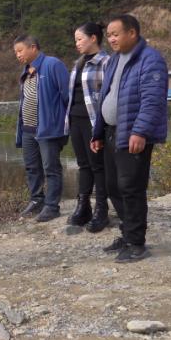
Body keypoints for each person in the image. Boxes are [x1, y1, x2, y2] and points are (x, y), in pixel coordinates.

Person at [91, 14, 168, 263]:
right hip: (112, 133)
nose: (111, 39)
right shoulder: (115, 60)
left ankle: (136, 243)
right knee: (113, 186)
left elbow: (152, 100)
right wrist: (98, 132)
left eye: (115, 34)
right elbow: (106, 96)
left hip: (133, 134)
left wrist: (141, 131)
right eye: (109, 35)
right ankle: (127, 233)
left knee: (131, 188)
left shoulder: (150, 59)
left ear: (132, 33)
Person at [13, 35, 70, 222]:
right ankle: (37, 200)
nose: (18, 55)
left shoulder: (53, 65)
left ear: (33, 47)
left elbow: (66, 96)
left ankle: (52, 206)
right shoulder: (26, 71)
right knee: (32, 167)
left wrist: (59, 121)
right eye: (16, 52)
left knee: (50, 168)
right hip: (28, 129)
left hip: (48, 129)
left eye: (20, 51)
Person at [64, 24, 112, 231]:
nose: (77, 43)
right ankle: (83, 206)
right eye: (75, 40)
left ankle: (102, 210)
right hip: (75, 119)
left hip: (93, 121)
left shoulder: (106, 62)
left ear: (93, 38)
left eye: (79, 39)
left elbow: (109, 94)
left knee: (98, 166)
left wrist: (102, 127)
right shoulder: (78, 63)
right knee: (83, 164)